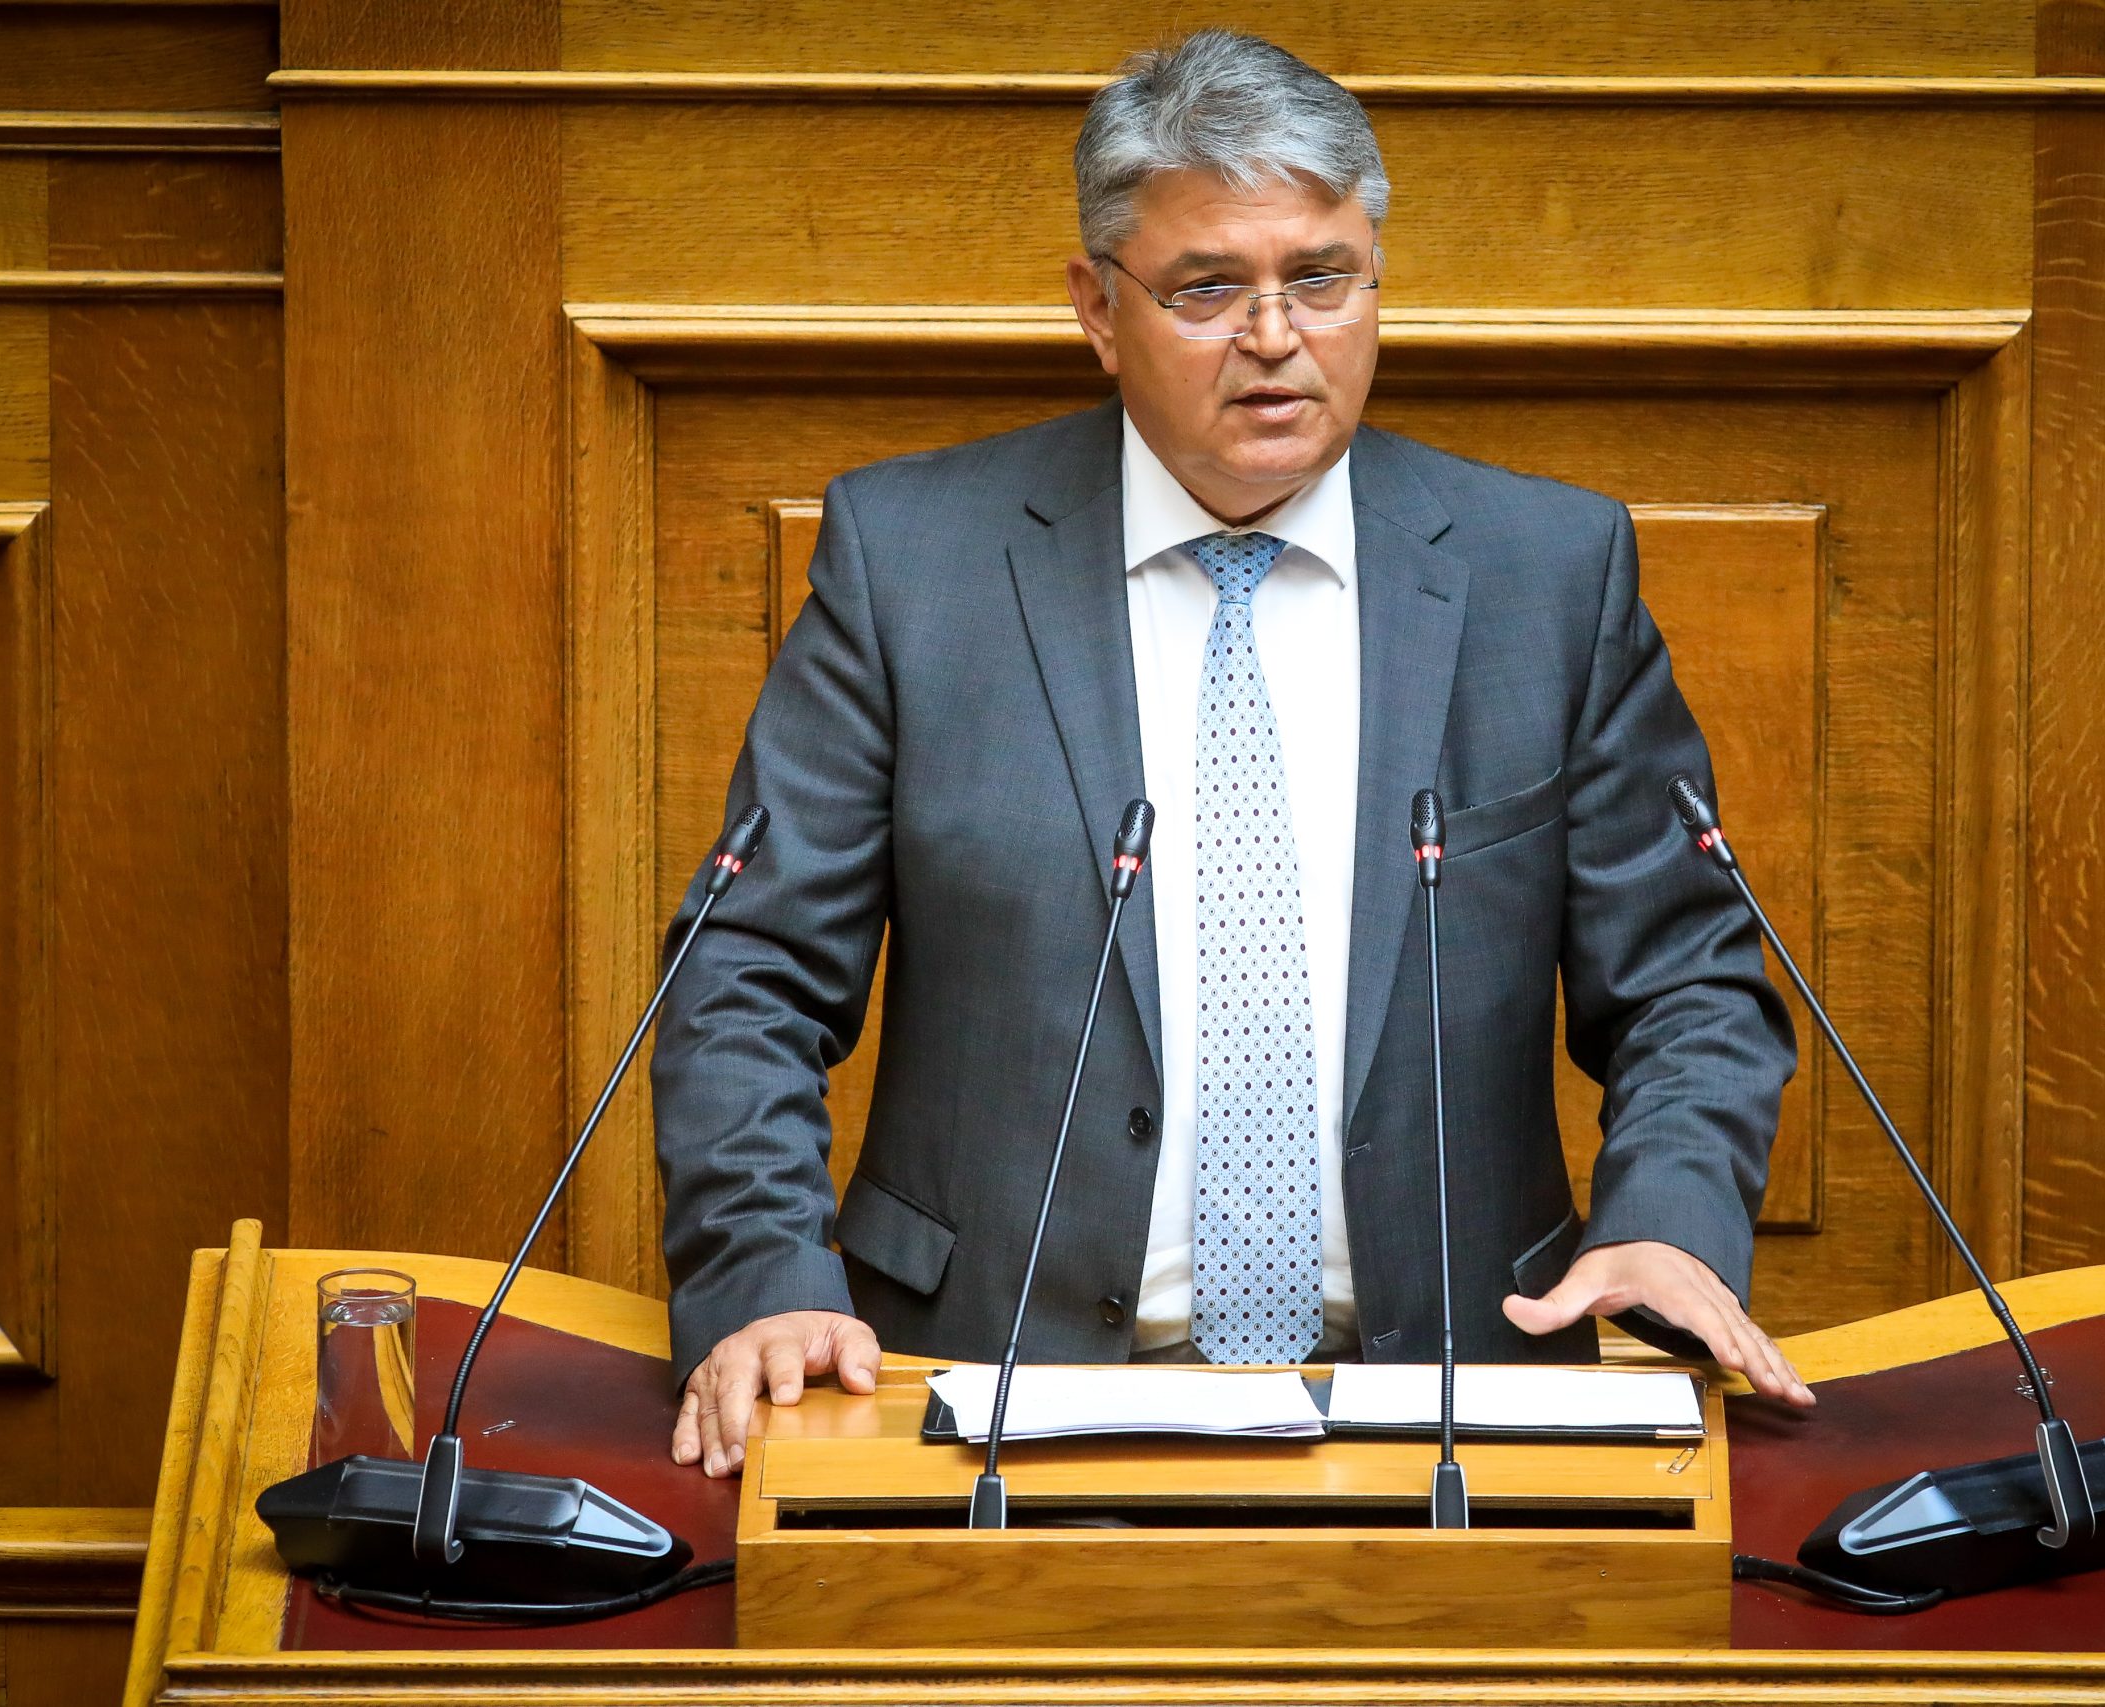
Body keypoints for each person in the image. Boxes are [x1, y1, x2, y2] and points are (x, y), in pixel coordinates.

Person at [654, 30, 1807, 1480]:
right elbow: (747, 973)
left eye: (1322, 277)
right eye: (1208, 289)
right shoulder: (915, 565)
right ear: (1098, 307)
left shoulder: (1546, 574)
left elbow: (1690, 979)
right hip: (987, 1394)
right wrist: (766, 1278)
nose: (1276, 335)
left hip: (1452, 1398)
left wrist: (1669, 1222)